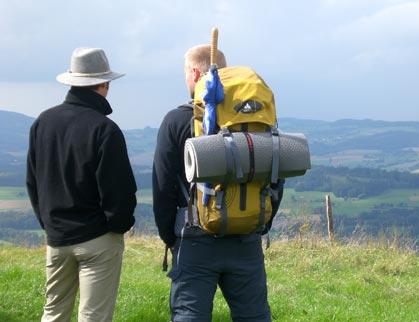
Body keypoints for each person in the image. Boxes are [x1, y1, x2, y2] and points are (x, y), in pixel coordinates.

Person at [153, 44, 280, 322]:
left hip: (194, 237)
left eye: (186, 72)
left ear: (196, 73)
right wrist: (258, 222)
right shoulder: (255, 121)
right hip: (246, 235)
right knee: (254, 316)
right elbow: (275, 176)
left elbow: (162, 186)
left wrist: (170, 236)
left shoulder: (176, 120)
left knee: (190, 315)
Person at [26, 47, 137, 322]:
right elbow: (119, 191)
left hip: (57, 236)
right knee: (94, 317)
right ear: (104, 83)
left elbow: (33, 182)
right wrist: (117, 226)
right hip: (98, 239)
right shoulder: (104, 129)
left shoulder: (43, 123)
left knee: (53, 313)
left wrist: (50, 223)